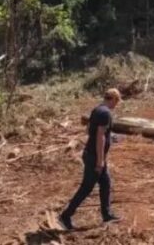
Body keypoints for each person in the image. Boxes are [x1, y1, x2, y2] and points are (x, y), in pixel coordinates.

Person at [59, 88, 122, 229]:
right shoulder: (105, 113)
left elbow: (89, 130)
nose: (116, 105)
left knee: (105, 183)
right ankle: (66, 215)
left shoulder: (97, 109)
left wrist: (109, 139)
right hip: (95, 157)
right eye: (117, 101)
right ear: (113, 99)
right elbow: (100, 137)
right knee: (86, 187)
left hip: (92, 154)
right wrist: (100, 160)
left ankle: (106, 214)